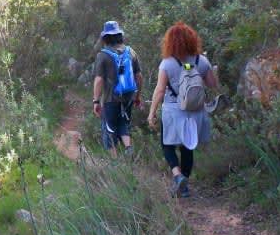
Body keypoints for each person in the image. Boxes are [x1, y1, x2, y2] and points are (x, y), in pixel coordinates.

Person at [147, 21, 218, 197]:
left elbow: (160, 90)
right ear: (192, 40)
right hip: (195, 111)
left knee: (167, 146)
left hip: (172, 111)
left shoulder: (167, 63)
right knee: (188, 148)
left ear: (170, 41)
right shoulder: (202, 61)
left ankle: (178, 176)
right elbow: (212, 84)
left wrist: (152, 112)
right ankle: (184, 187)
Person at [92, 21, 143, 158]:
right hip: (128, 97)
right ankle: (128, 147)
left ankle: (115, 163)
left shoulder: (102, 55)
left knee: (109, 129)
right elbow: (139, 76)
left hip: (110, 99)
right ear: (119, 35)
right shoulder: (130, 52)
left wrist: (96, 101)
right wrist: (137, 96)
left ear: (105, 37)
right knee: (123, 124)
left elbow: (99, 80)